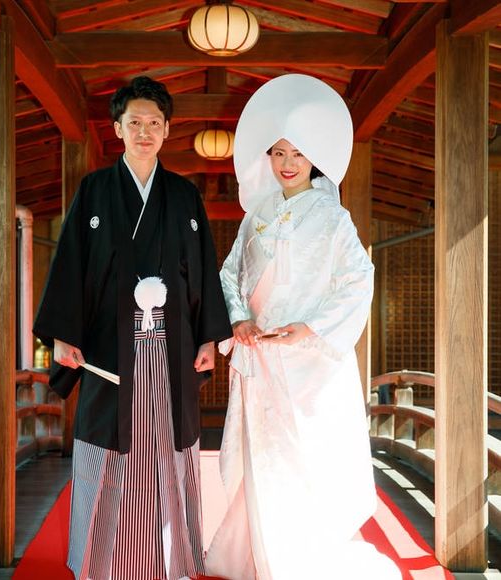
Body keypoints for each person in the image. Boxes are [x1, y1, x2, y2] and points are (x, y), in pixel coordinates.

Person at [33, 76, 232, 580]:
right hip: (109, 348)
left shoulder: (184, 196)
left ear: (167, 130)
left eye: (154, 123)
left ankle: (172, 560)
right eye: (135, 122)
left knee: (169, 446)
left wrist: (209, 336)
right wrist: (63, 334)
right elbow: (71, 264)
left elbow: (203, 269)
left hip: (172, 346)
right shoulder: (95, 191)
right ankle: (104, 564)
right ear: (118, 128)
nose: (145, 132)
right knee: (108, 448)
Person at [204, 75, 402, 579]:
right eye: (278, 153)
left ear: (314, 158)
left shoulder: (333, 217)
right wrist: (239, 318)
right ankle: (264, 557)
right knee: (262, 458)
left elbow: (358, 280)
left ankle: (302, 559)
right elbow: (229, 274)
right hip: (262, 358)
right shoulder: (256, 215)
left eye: (297, 153)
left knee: (308, 458)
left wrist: (310, 327)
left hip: (310, 363)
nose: (287, 163)